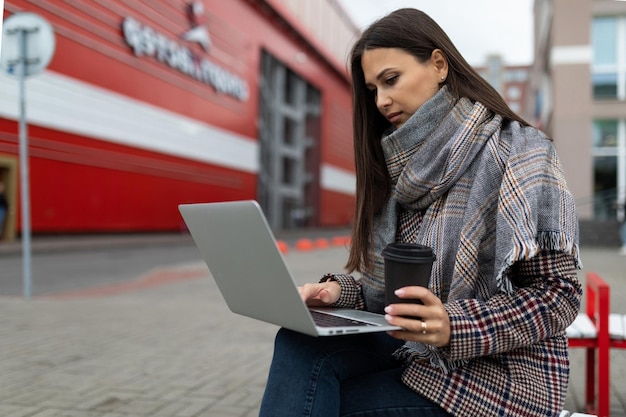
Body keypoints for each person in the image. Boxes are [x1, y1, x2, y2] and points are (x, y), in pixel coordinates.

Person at [259, 8, 582, 417]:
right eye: (373, 89)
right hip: (416, 351)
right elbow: (395, 298)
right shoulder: (398, 167)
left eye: (391, 80)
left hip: (499, 377)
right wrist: (339, 293)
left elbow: (558, 296)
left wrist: (453, 325)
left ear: (439, 64)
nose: (382, 101)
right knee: (298, 342)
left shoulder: (520, 153)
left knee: (331, 404)